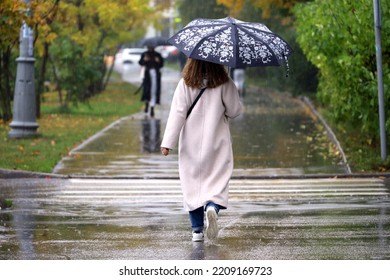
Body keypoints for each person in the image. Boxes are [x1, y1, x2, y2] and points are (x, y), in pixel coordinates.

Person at [160, 59, 242, 242]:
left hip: (191, 144)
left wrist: (167, 143)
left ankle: (196, 231)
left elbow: (177, 114)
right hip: (217, 144)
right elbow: (235, 111)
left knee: (192, 186)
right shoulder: (224, 83)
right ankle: (212, 207)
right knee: (217, 181)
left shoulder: (185, 84)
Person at [139, 46, 164, 117]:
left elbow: (161, 65)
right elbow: (141, 63)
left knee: (154, 91)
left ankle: (152, 108)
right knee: (147, 91)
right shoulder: (145, 54)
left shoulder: (157, 55)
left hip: (155, 75)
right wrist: (144, 60)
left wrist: (158, 61)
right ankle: (147, 104)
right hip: (147, 76)